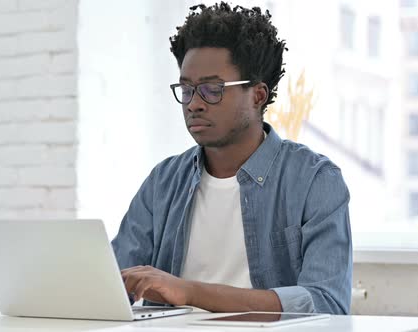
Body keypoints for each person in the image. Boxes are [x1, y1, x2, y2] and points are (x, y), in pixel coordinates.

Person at [111, 2, 352, 314]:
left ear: (258, 95)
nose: (194, 103)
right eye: (186, 89)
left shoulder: (314, 180)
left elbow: (326, 303)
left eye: (212, 89)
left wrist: (189, 292)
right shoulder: (164, 181)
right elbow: (112, 285)